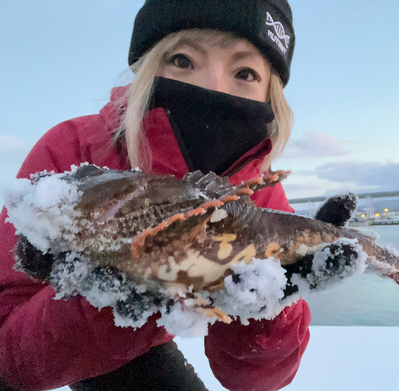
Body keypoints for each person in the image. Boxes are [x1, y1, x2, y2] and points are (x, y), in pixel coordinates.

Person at [0, 1, 311, 390]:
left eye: (244, 72)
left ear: (270, 95)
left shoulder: (259, 190)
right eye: (183, 60)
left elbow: (255, 379)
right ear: (149, 68)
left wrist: (269, 305)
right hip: (86, 338)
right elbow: (8, 355)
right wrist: (103, 299)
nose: (211, 87)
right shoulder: (73, 152)